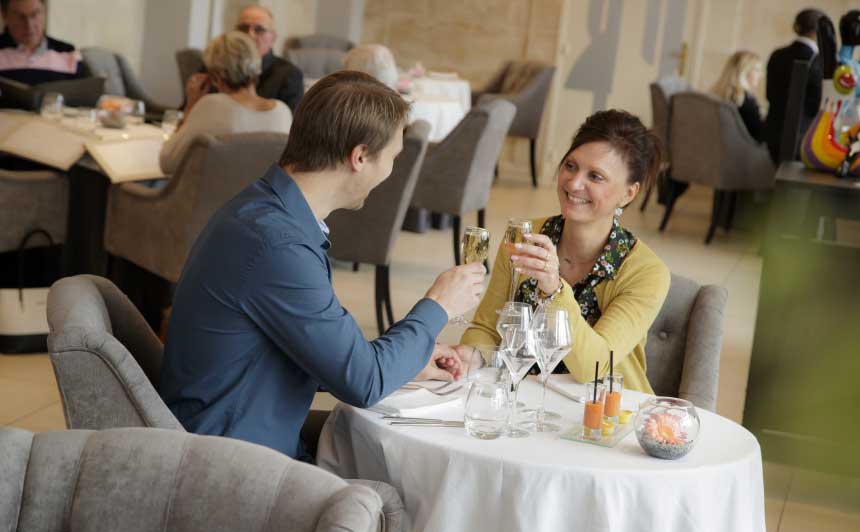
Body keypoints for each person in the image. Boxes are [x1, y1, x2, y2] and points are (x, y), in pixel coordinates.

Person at [159, 70, 485, 461]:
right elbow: (363, 381)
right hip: (235, 465)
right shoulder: (277, 245)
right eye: (393, 158)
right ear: (360, 157)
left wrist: (407, 362)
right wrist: (439, 304)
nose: (390, 172)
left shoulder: (266, 212)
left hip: (241, 432)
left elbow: (310, 351)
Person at [458, 110, 670, 394]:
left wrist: (554, 290)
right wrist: (470, 356)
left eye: (595, 176)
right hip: (525, 404)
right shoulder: (526, 235)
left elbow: (593, 367)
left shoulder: (647, 272)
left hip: (603, 417)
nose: (573, 183)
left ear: (628, 194)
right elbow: (486, 328)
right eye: (571, 166)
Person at [160, 31, 292, 174]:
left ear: (215, 77)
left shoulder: (212, 106)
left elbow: (168, 162)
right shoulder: (283, 112)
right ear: (257, 67)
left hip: (216, 196)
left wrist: (190, 107)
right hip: (264, 195)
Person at [187, 5, 303, 113]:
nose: (250, 35)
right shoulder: (214, 65)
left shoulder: (289, 74)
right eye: (243, 28)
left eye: (259, 30)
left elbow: (292, 126)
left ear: (273, 37)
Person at [763, 8, 825, 163]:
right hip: (803, 139)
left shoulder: (777, 54)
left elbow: (769, 95)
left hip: (773, 134)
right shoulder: (817, 62)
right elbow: (816, 105)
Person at [0, 0, 83, 84]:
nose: (29, 25)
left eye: (35, 14)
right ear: (5, 16)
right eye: (20, 17)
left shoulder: (68, 53)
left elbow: (85, 94)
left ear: (45, 13)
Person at [711, 50, 765, 141]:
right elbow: (758, 135)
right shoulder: (745, 101)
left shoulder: (714, 95)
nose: (761, 75)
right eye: (757, 70)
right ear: (743, 70)